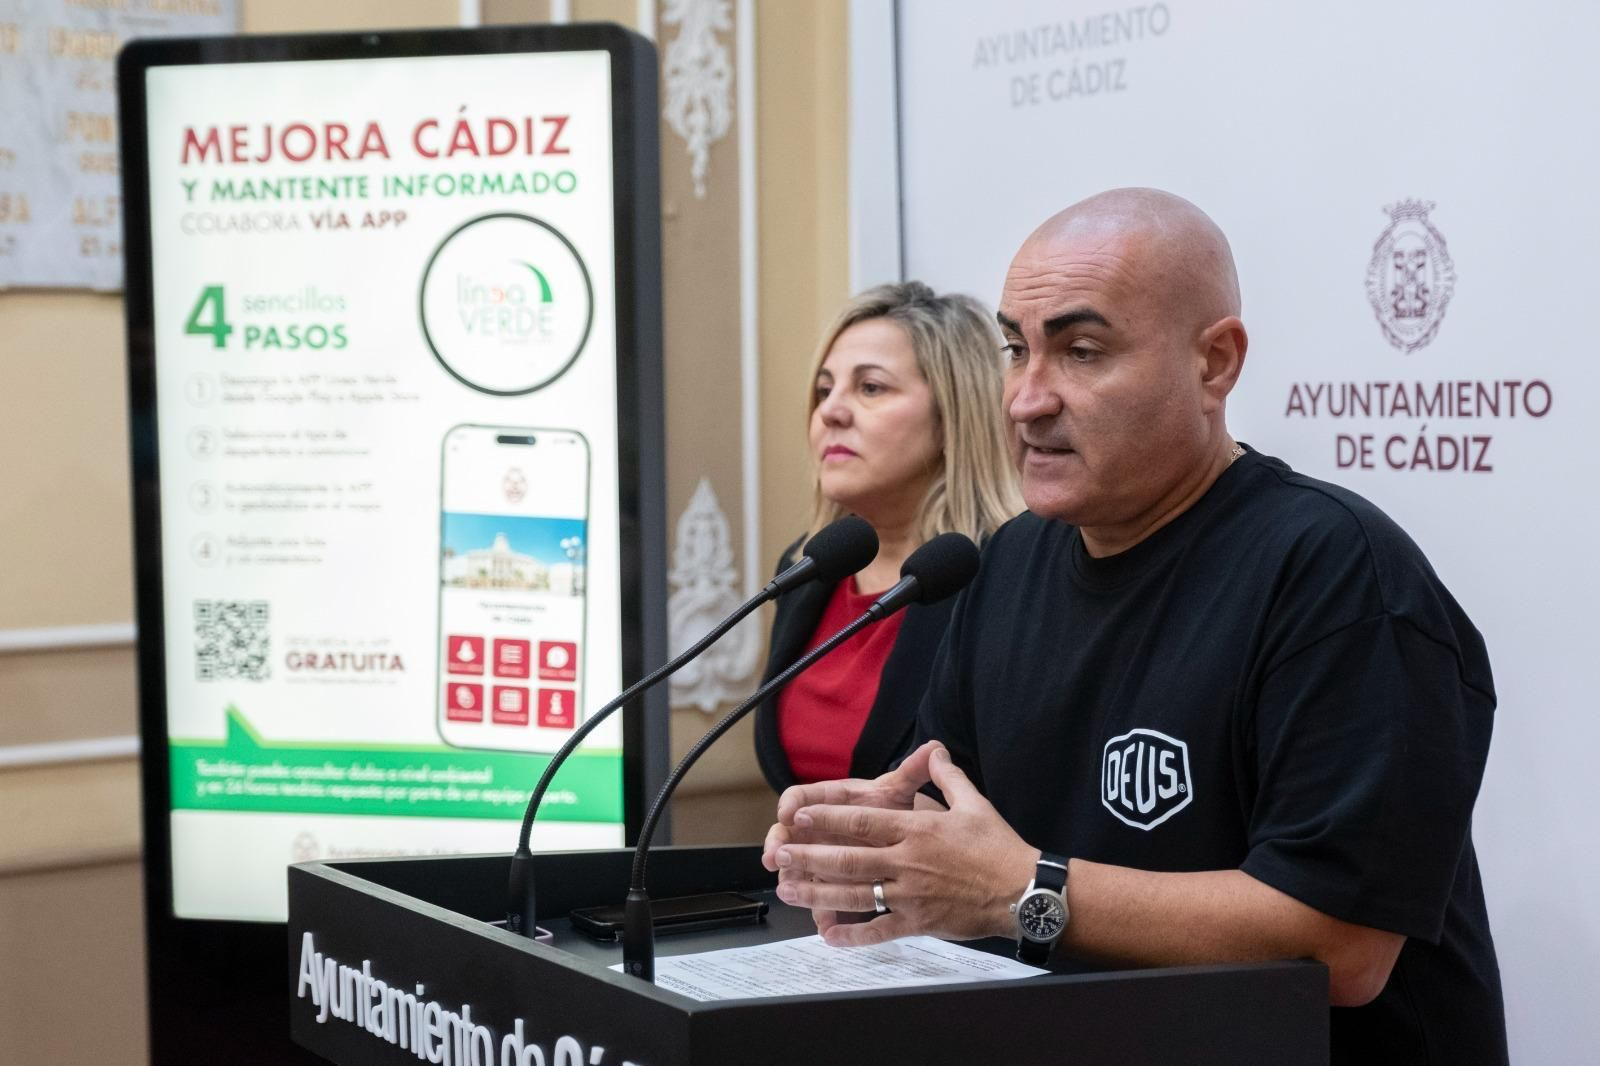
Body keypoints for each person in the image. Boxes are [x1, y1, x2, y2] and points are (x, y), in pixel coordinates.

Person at [761, 190, 1506, 1064]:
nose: (1027, 400)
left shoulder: (1338, 575)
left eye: (1081, 352)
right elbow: (951, 826)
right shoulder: (1005, 564)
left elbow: (1343, 946)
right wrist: (868, 858)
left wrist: (1022, 889)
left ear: (1215, 364)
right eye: (1015, 350)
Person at [754, 282, 1021, 793]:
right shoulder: (805, 566)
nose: (831, 411)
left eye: (871, 388)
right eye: (824, 390)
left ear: (952, 416)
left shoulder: (1009, 575)